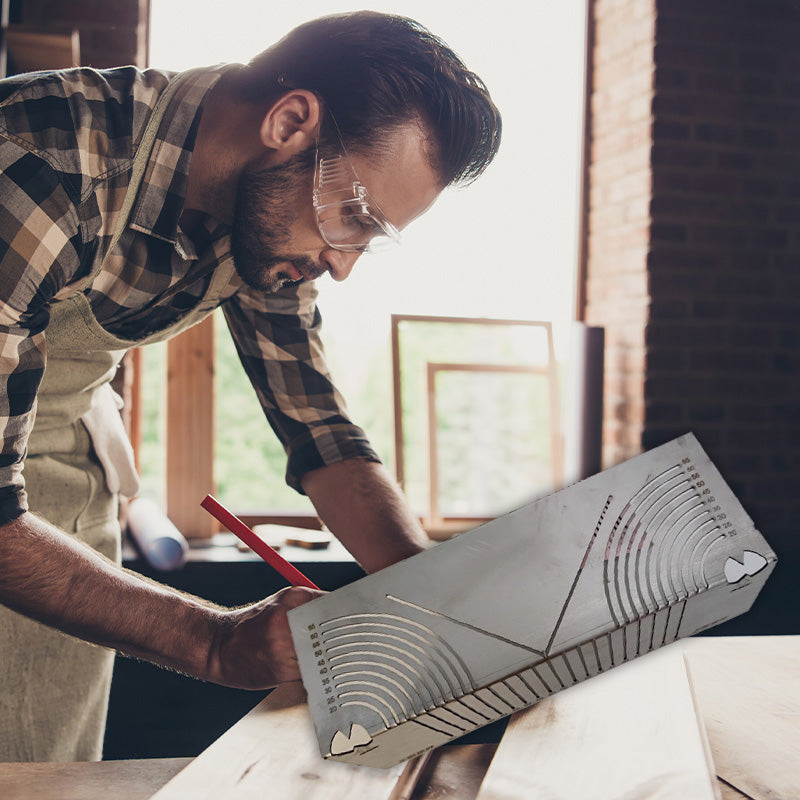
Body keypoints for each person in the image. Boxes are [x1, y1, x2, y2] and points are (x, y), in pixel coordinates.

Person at [0, 11, 501, 761]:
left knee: (44, 770)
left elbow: (320, 431)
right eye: (356, 219)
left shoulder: (265, 217)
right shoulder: (40, 167)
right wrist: (213, 643)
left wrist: (437, 613)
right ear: (290, 121)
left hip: (65, 492)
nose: (343, 264)